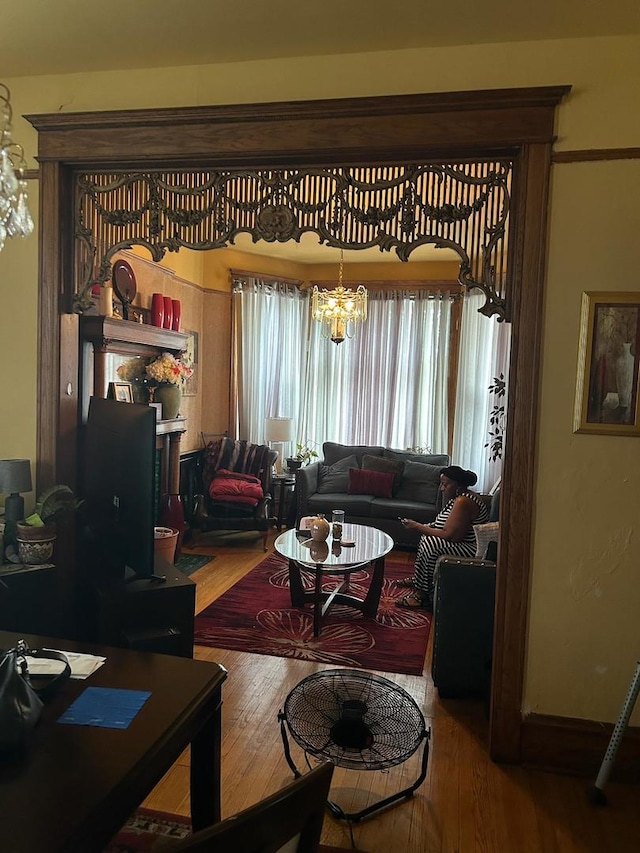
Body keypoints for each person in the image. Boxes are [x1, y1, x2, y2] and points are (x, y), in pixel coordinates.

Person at [395, 465, 489, 610]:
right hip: (463, 542)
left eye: (445, 484)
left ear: (457, 485)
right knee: (427, 539)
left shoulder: (463, 502)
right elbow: (442, 524)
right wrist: (425, 526)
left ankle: (423, 596)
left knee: (431, 543)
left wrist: (417, 526)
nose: (441, 489)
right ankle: (419, 580)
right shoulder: (458, 498)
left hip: (471, 548)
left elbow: (451, 536)